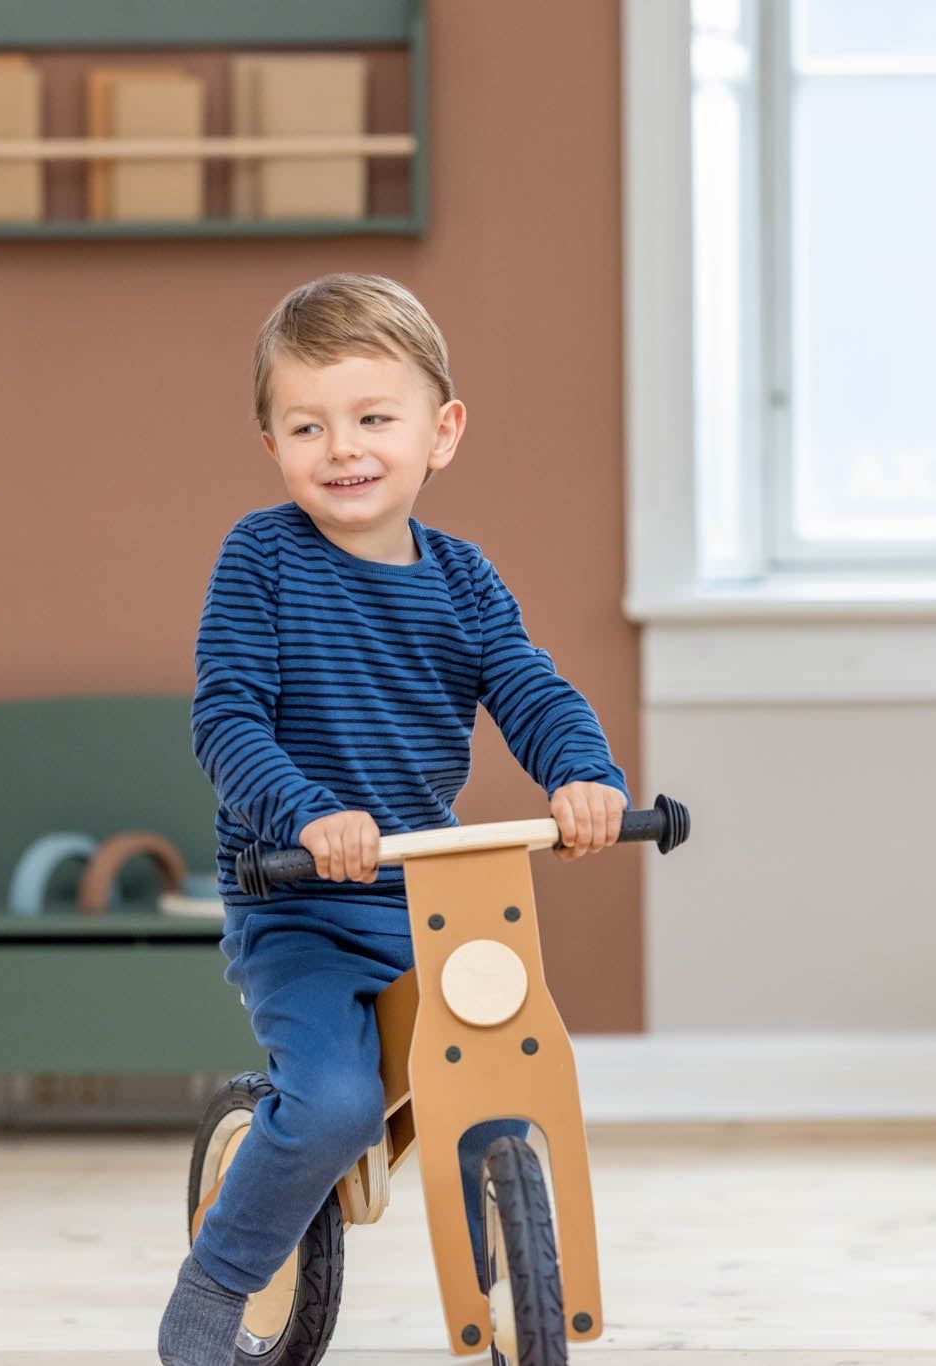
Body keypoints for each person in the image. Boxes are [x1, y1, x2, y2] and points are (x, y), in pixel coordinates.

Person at [159, 273, 630, 1362]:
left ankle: (520, 1279)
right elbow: (225, 717)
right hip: (298, 903)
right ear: (271, 439)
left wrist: (582, 776)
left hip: (423, 893)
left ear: (439, 431)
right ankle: (214, 1284)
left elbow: (529, 687)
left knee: (503, 1049)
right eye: (307, 424)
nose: (344, 447)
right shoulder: (263, 559)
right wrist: (307, 811)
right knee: (329, 1108)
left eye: (374, 418)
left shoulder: (463, 582)